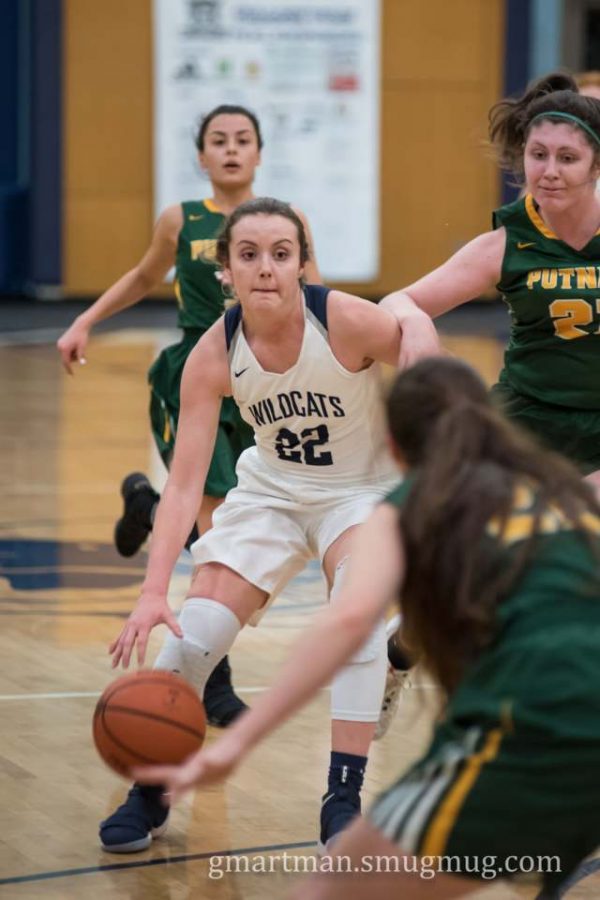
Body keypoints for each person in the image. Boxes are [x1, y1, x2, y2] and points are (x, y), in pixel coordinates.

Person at [135, 357, 600, 898]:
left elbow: (350, 622)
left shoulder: (404, 510)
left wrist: (239, 742)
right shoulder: (568, 492)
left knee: (330, 889)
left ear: (394, 450)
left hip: (545, 723)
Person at [100, 197, 405, 855]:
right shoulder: (213, 354)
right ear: (225, 272)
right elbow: (182, 483)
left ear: (302, 264)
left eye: (280, 254)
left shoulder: (346, 320)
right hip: (270, 492)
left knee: (359, 619)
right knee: (192, 637)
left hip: (356, 493)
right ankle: (152, 786)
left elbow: (425, 360)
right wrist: (155, 591)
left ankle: (343, 796)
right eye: (248, 255)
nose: (265, 268)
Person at [56, 105, 321, 729]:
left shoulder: (285, 221)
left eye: (243, 140)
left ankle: (145, 506)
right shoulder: (180, 219)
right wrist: (85, 319)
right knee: (213, 528)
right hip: (194, 379)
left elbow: (315, 295)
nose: (231, 150)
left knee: (220, 523)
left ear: (259, 153)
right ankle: (216, 685)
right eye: (218, 141)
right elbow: (145, 275)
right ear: (202, 157)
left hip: (259, 377)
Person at [378, 72, 600, 486]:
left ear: (596, 166)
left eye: (567, 158)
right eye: (538, 155)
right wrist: (414, 322)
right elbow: (397, 300)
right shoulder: (505, 243)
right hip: (528, 420)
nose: (549, 171)